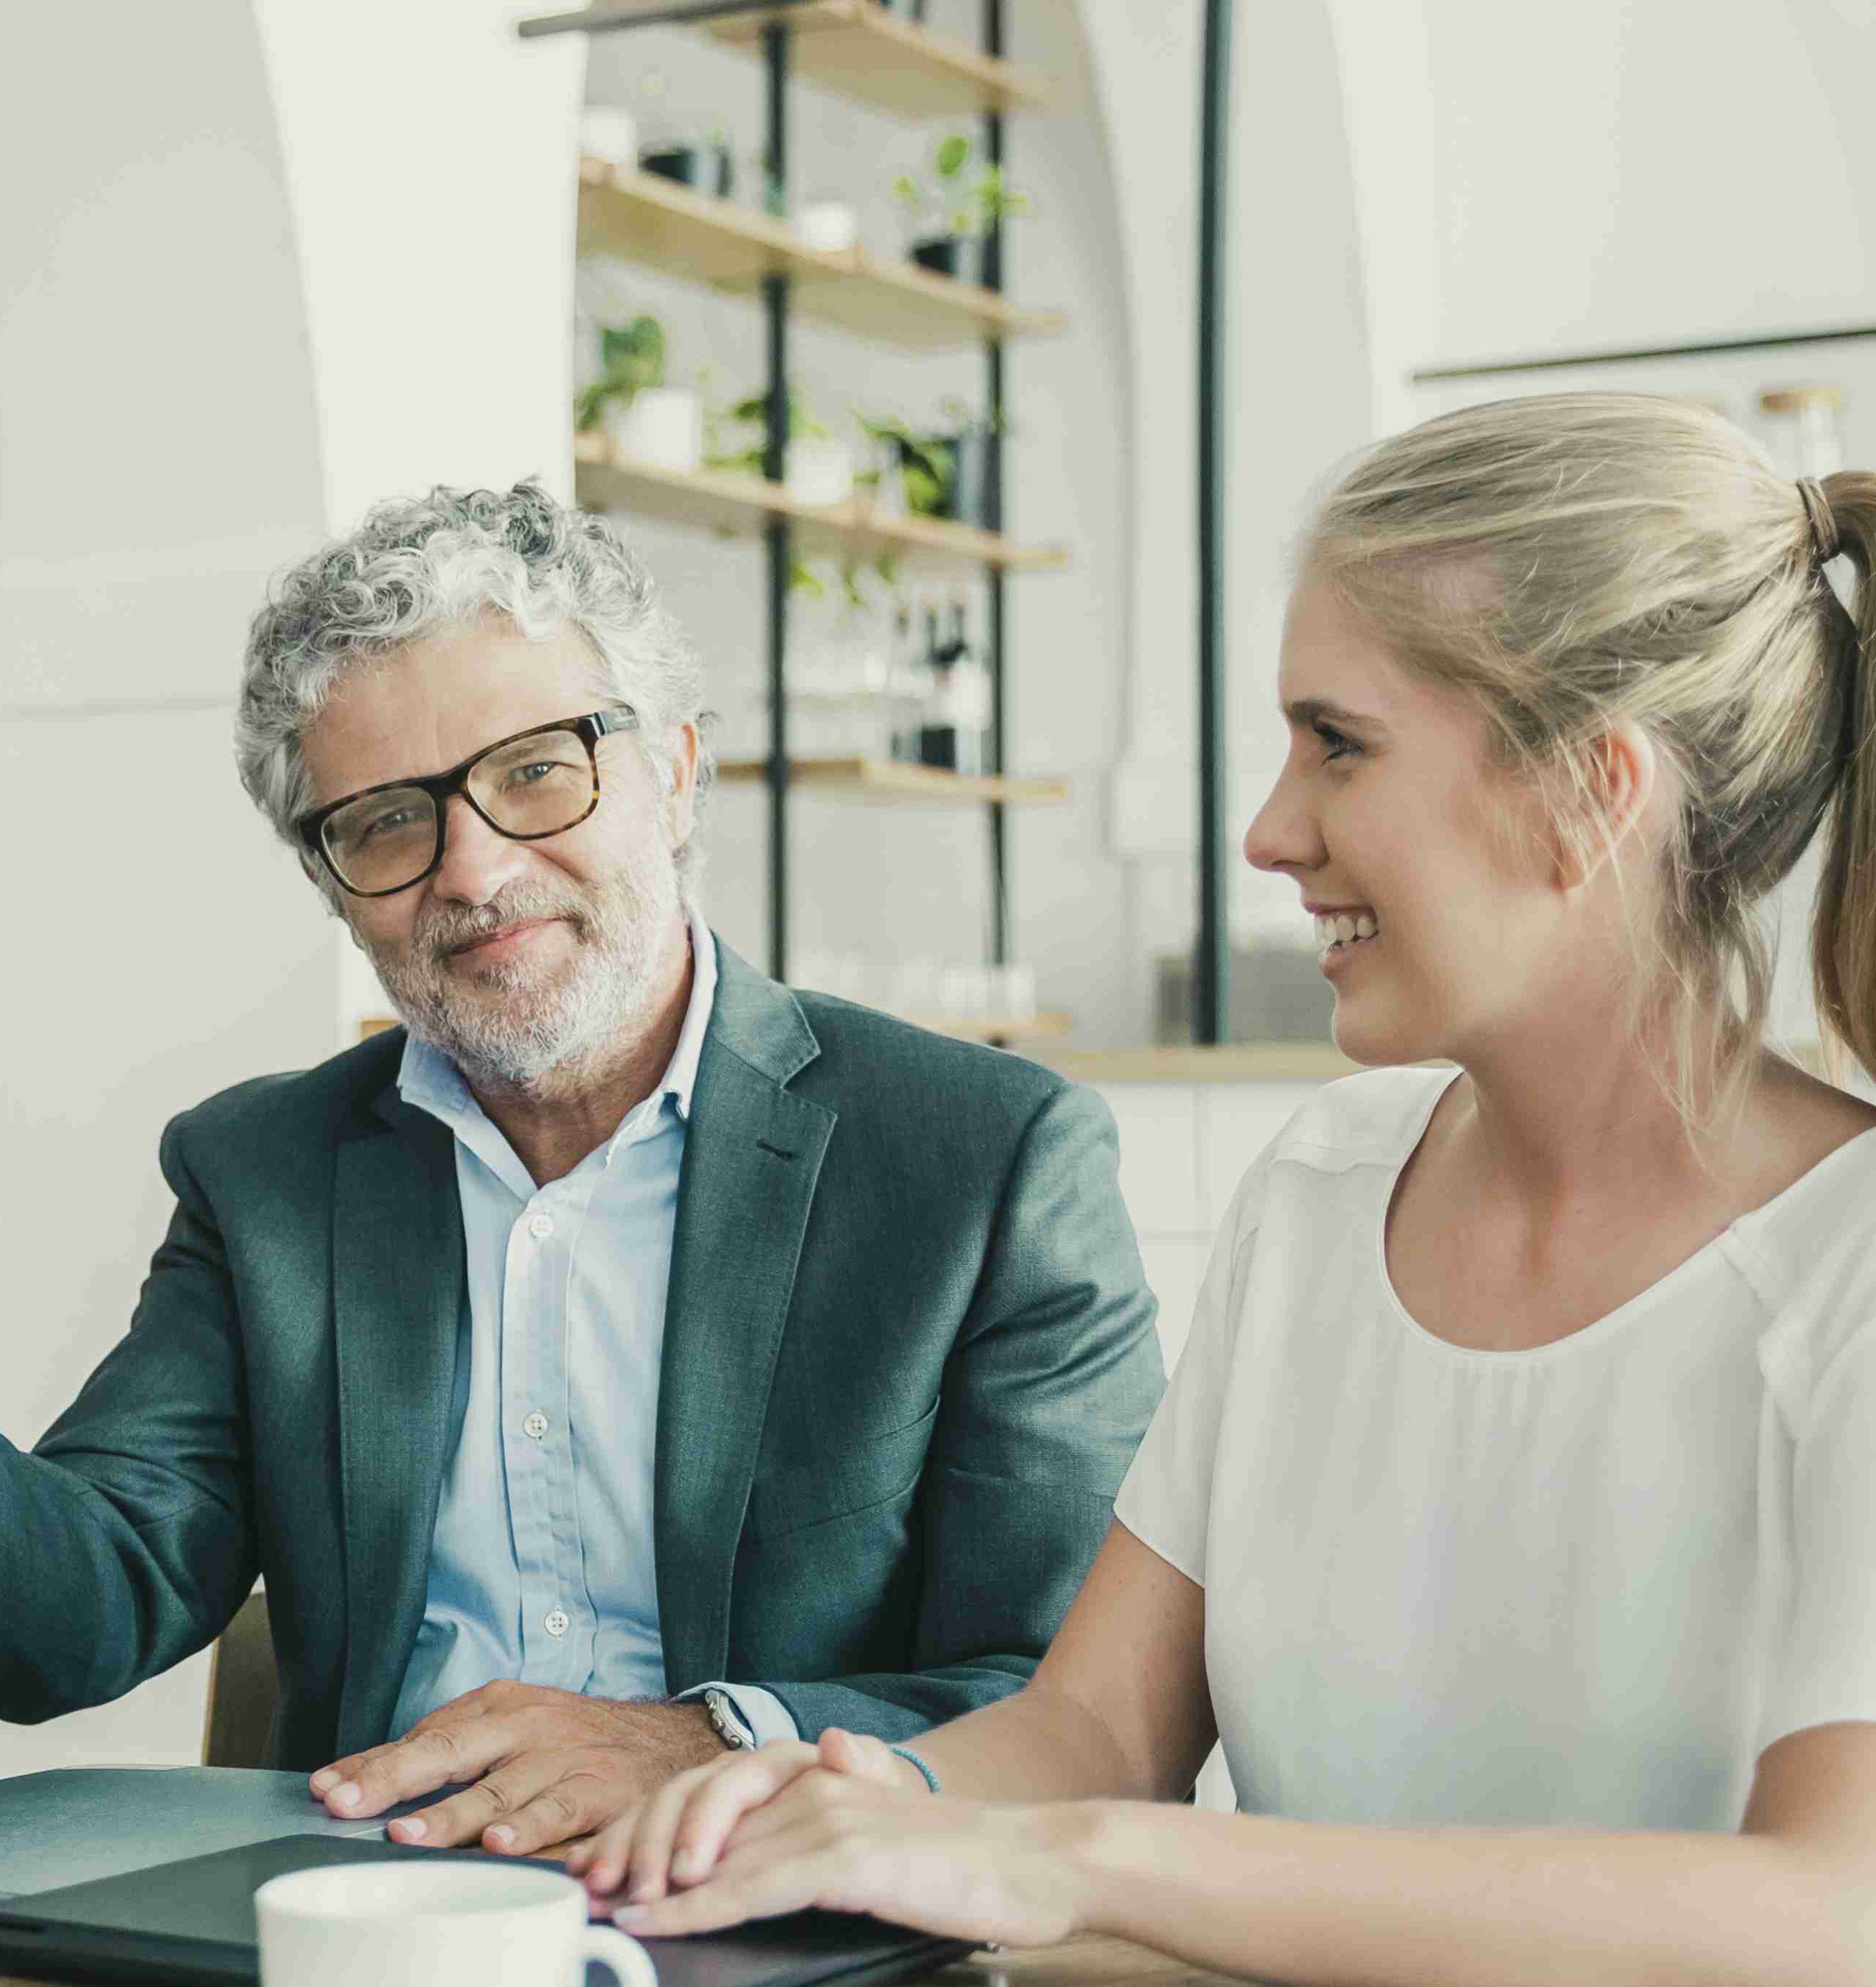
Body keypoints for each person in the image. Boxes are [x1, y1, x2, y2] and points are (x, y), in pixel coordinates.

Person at [0, 482, 1165, 1856]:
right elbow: (89, 1600)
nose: (475, 871)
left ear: (675, 775)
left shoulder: (982, 1161)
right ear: (330, 885)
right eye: (384, 824)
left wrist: (697, 1740)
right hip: (370, 1924)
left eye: (538, 771)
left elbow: (1063, 1702)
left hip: (793, 1913)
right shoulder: (266, 1171)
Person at [576, 395, 1876, 1986]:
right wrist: (863, 1800)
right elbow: (1095, 1726)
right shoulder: (1318, 1195)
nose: (1266, 830)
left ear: (1589, 792)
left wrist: (1070, 1861)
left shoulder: (1848, 1266)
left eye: (1338, 744)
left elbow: (1831, 1912)